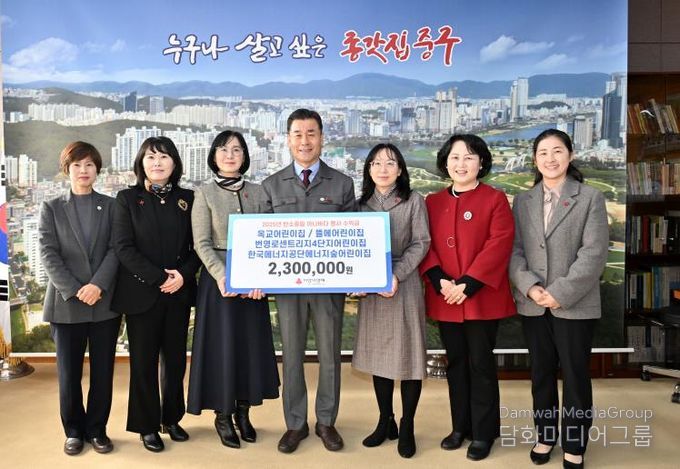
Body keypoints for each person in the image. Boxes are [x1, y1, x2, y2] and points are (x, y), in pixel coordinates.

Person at [509, 129, 608, 469]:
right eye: (543, 153)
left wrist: (560, 292)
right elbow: (515, 251)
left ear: (570, 155)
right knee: (541, 374)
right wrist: (530, 287)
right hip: (534, 302)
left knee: (575, 376)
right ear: (534, 159)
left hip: (574, 304)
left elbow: (594, 254)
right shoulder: (523, 200)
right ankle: (546, 435)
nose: (550, 159)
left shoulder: (590, 197)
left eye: (557, 151)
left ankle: (575, 443)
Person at [261, 108, 355, 453]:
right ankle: (295, 424)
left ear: (322, 138)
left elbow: (352, 237)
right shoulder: (271, 185)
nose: (305, 141)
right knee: (292, 355)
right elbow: (262, 240)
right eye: (298, 134)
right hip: (289, 288)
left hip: (329, 286)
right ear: (287, 140)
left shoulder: (342, 183)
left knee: (330, 355)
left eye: (311, 133)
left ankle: (326, 421)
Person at [419, 134, 516, 461]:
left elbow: (499, 243)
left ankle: (484, 433)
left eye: (469, 157)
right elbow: (425, 244)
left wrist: (468, 284)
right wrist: (440, 281)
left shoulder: (495, 199)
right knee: (456, 364)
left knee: (481, 365)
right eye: (455, 157)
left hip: (480, 298)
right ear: (445, 163)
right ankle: (460, 427)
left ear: (481, 162)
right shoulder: (432, 202)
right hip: (446, 297)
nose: (461, 164)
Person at [187, 130, 279, 449]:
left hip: (254, 283)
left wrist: (261, 278)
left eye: (237, 150)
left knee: (249, 347)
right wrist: (223, 276)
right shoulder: (204, 193)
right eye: (224, 150)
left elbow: (270, 238)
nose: (230, 155)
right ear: (214, 156)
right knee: (222, 347)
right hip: (219, 285)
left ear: (245, 156)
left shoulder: (259, 192)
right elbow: (201, 243)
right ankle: (223, 415)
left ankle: (243, 411)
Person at [111, 136, 200, 452]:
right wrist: (160, 277)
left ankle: (171, 418)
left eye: (164, 157)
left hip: (178, 292)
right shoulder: (126, 199)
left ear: (175, 163)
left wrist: (183, 275)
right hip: (141, 294)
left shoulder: (188, 199)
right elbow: (123, 247)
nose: (157, 162)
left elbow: (197, 246)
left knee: (175, 362)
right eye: (150, 157)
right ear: (141, 163)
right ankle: (146, 426)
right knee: (143, 364)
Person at [39, 141, 120, 455]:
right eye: (77, 165)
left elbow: (116, 249)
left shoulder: (111, 206)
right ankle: (73, 431)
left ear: (97, 169)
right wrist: (75, 289)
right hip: (66, 304)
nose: (83, 170)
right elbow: (48, 253)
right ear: (66, 169)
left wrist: (97, 284)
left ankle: (97, 430)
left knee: (103, 373)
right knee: (69, 375)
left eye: (89, 164)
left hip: (103, 303)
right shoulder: (51, 207)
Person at [351, 143, 430, 458]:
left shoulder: (413, 201)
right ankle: (386, 420)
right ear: (368, 169)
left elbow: (421, 242)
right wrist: (357, 280)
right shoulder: (360, 205)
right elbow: (352, 249)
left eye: (390, 163)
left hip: (403, 284)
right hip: (373, 289)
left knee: (409, 358)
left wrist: (395, 274)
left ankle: (408, 424)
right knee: (378, 356)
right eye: (376, 163)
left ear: (400, 170)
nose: (383, 169)